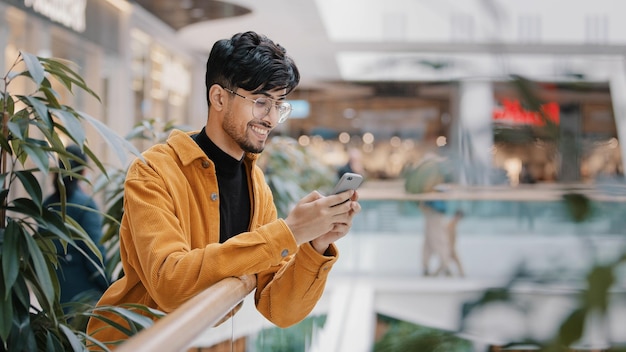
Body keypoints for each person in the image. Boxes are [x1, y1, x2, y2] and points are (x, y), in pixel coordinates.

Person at [86, 31, 361, 348]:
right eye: (260, 102)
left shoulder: (257, 185)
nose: (271, 118)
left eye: (278, 105)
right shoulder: (154, 171)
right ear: (218, 97)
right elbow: (170, 283)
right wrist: (289, 231)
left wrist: (316, 246)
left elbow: (280, 309)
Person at [43, 145, 109, 309]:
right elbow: (95, 255)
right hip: (83, 301)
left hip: (52, 298)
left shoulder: (46, 205)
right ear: (83, 172)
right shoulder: (85, 205)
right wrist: (109, 286)